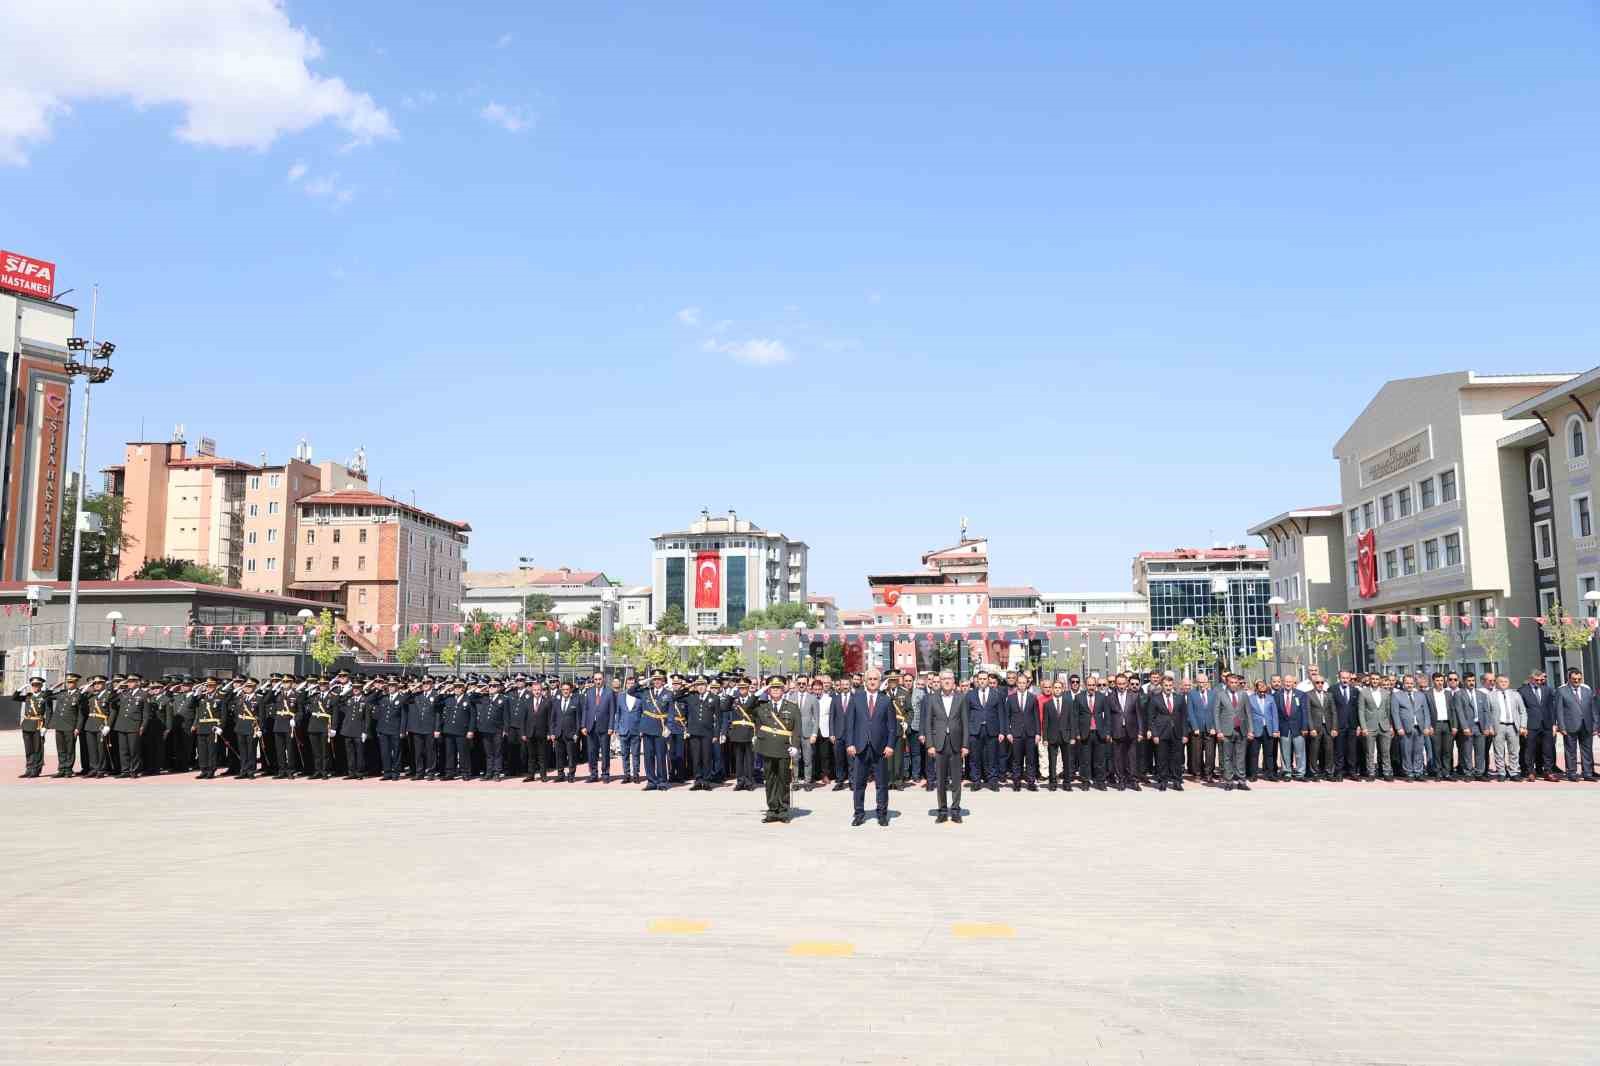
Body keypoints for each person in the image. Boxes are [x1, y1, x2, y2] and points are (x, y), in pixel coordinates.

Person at [844, 667, 896, 826]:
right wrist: (850, 743)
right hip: (860, 747)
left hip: (880, 749)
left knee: (881, 784)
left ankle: (882, 814)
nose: (872, 682)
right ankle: (859, 814)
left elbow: (892, 727)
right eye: (870, 679)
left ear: (879, 682)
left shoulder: (886, 700)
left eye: (875, 679)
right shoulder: (856, 698)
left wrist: (890, 745)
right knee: (859, 784)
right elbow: (850, 724)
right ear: (865, 681)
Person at [750, 677, 799, 823]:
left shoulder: (792, 707)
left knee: (784, 780)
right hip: (767, 748)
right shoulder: (762, 707)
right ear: (768, 691)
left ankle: (783, 811)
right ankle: (772, 810)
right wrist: (759, 692)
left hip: (784, 748)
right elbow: (747, 707)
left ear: (783, 690)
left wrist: (795, 746)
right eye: (772, 688)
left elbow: (797, 728)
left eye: (778, 688)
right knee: (770, 780)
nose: (775, 690)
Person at [924, 670, 968, 823]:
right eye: (944, 679)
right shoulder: (932, 699)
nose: (947, 681)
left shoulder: (961, 698)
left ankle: (955, 811)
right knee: (941, 780)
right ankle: (942, 811)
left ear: (953, 680)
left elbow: (965, 723)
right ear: (940, 681)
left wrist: (965, 744)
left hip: (956, 744)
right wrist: (930, 744)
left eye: (949, 678)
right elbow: (928, 723)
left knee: (956, 780)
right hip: (939, 744)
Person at [1555, 668, 1597, 782]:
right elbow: (1559, 710)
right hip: (1570, 726)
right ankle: (1571, 773)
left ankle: (1587, 773)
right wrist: (1561, 727)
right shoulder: (1561, 691)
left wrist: (1595, 725)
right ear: (1569, 679)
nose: (1577, 681)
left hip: (1587, 725)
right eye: (1574, 679)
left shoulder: (1587, 690)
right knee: (1570, 751)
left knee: (1587, 751)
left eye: (1579, 679)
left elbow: (1593, 709)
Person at [965, 670, 1004, 790]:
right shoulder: (970, 695)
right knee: (974, 757)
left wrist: (1002, 731)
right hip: (975, 730)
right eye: (980, 679)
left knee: (992, 757)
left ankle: (993, 781)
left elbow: (1001, 713)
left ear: (988, 680)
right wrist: (966, 732)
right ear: (977, 680)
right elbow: (966, 714)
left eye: (984, 679)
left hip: (992, 729)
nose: (982, 681)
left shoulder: (996, 694)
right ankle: (976, 781)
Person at [1213, 674, 1252, 791]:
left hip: (1241, 730)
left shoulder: (1243, 695)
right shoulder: (1220, 695)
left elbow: (1248, 713)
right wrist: (1218, 730)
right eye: (1231, 682)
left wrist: (1251, 730)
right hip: (1226, 731)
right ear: (1227, 683)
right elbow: (1216, 714)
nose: (1234, 685)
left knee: (1241, 757)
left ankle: (1241, 781)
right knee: (1227, 757)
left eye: (1236, 682)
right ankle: (1229, 781)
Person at [637, 671, 674, 791]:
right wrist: (645, 680)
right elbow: (630, 691)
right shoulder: (646, 692)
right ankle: (651, 781)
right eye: (655, 679)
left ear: (663, 681)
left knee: (660, 756)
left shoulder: (668, 694)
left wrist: (669, 727)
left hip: (660, 728)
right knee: (648, 757)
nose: (657, 681)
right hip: (647, 728)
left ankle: (662, 781)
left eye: (659, 679)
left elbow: (671, 712)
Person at [1145, 675, 1183, 791]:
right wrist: (1155, 734)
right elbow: (1150, 718)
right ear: (1162, 686)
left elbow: (1184, 716)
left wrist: (1185, 734)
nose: (1168, 687)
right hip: (1161, 733)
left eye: (1170, 685)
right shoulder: (1155, 698)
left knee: (1176, 758)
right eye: (1166, 685)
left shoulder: (1179, 698)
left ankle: (1177, 781)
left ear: (1173, 686)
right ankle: (1163, 781)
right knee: (1162, 758)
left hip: (1176, 732)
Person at [1486, 674, 1526, 782]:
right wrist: (1490, 727)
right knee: (1499, 751)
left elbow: (1522, 711)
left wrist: (1523, 726)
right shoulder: (1490, 696)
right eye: (1501, 681)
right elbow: (1488, 713)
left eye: (1505, 682)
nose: (1503, 683)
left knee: (1514, 751)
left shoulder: (1515, 694)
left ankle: (1514, 772)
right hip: (1498, 726)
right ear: (1496, 683)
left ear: (1509, 683)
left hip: (1513, 726)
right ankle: (1501, 772)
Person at [1518, 671, 1557, 781]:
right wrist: (1523, 725)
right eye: (1536, 680)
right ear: (1531, 679)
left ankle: (1548, 771)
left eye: (1541, 680)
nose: (1539, 682)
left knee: (1547, 749)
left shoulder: (1547, 690)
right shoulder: (1522, 691)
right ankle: (1530, 771)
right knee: (1529, 749)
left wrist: (1554, 724)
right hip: (1530, 724)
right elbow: (1521, 709)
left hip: (1546, 724)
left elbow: (1551, 708)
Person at [684, 677, 722, 791]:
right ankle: (697, 780)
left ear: (707, 686)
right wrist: (689, 686)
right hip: (694, 732)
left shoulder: (714, 698)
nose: (700, 687)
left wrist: (716, 734)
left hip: (707, 732)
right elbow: (676, 696)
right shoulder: (691, 697)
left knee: (706, 757)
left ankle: (706, 781)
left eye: (703, 685)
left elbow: (718, 718)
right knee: (696, 758)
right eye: (698, 685)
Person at [1004, 672, 1039, 791]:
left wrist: (1038, 733)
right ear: (1017, 684)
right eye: (1020, 683)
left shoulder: (1033, 698)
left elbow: (1036, 717)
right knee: (1016, 760)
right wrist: (1008, 732)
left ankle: (1031, 782)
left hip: (1030, 733)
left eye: (1024, 683)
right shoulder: (1011, 698)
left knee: (1030, 759)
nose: (1022, 685)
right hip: (1016, 734)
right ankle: (1016, 782)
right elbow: (1006, 717)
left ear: (1027, 684)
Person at [1107, 674, 1142, 791]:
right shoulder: (1110, 697)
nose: (1121, 686)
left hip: (1131, 730)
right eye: (1119, 684)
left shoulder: (1134, 696)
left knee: (1132, 757)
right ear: (1116, 684)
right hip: (1116, 731)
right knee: (1118, 757)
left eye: (1123, 683)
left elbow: (1139, 715)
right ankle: (1121, 780)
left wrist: (1141, 731)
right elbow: (1108, 716)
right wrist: (1108, 733)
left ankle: (1133, 780)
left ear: (1127, 683)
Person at [1451, 673, 1488, 782]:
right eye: (1469, 681)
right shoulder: (1459, 694)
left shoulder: (1481, 694)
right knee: (1467, 751)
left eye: (1473, 680)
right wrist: (1464, 727)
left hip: (1479, 726)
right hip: (1467, 727)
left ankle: (1479, 772)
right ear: (1464, 681)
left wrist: (1487, 726)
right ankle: (1468, 772)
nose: (1471, 683)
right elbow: (1459, 711)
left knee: (1480, 751)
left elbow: (1486, 712)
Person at [1356, 676, 1394, 782]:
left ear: (1380, 681)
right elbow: (1361, 711)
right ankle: (1371, 773)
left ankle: (1387, 772)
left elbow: (1388, 710)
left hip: (1384, 726)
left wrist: (1390, 726)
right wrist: (1363, 727)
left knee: (1386, 752)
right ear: (1370, 680)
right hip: (1369, 726)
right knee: (1370, 752)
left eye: (1377, 679)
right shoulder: (1364, 692)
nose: (1375, 681)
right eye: (1373, 679)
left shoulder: (1386, 693)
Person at [13, 676, 51, 778]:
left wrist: (46, 727)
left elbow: (49, 712)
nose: (35, 687)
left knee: (37, 749)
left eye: (37, 685)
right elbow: (14, 698)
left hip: (38, 725)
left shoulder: (45, 696)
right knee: (28, 749)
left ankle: (36, 770)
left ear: (41, 686)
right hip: (27, 725)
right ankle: (29, 769)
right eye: (33, 685)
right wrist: (20, 689)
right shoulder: (28, 696)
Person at [1391, 674, 1427, 781]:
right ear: (1403, 683)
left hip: (1419, 727)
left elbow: (1426, 712)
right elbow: (1395, 713)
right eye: (1407, 683)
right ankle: (1408, 772)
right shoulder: (1397, 695)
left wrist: (1427, 726)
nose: (1409, 685)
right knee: (1406, 751)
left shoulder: (1420, 695)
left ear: (1414, 684)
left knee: (1419, 751)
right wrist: (1398, 727)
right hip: (1405, 728)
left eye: (1411, 683)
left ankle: (1418, 771)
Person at [581, 671, 614, 783]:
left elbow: (612, 711)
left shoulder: (610, 692)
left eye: (600, 679)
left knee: (605, 752)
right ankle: (593, 774)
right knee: (591, 752)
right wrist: (583, 725)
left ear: (603, 679)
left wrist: (611, 726)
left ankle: (605, 774)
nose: (598, 681)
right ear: (593, 680)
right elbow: (585, 710)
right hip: (591, 727)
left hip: (604, 728)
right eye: (596, 679)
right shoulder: (589, 692)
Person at [1042, 676, 1074, 791]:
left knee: (1067, 761)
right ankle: (1053, 783)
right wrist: (1044, 738)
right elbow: (1045, 722)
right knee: (1052, 761)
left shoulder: (1069, 703)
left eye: (1059, 687)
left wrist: (1073, 736)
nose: (1057, 689)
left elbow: (1072, 720)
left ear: (1063, 689)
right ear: (1052, 689)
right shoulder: (1048, 704)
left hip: (1066, 736)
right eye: (1055, 687)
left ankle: (1067, 783)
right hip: (1052, 736)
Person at [438, 681, 474, 781]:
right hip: (449, 730)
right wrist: (443, 691)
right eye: (455, 687)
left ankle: (465, 772)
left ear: (463, 688)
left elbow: (472, 716)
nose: (457, 689)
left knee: (463, 753)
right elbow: (436, 703)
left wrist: (471, 730)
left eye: (459, 687)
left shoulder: (468, 699)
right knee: (450, 753)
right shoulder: (448, 699)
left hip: (462, 730)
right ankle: (450, 772)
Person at [305, 680, 340, 780]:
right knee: (316, 751)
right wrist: (309, 689)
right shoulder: (314, 696)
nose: (322, 686)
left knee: (325, 751)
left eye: (324, 684)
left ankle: (325, 771)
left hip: (325, 726)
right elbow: (303, 702)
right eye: (320, 684)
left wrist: (333, 728)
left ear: (328, 685)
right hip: (313, 726)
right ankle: (317, 770)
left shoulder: (333, 697)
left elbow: (335, 714)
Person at [1304, 677, 1336, 781]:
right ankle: (1314, 773)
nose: (1320, 684)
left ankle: (1329, 772)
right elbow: (1307, 713)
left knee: (1329, 750)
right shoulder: (1308, 695)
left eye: (1322, 682)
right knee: (1314, 751)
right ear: (1313, 683)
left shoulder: (1329, 695)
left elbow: (1334, 712)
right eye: (1317, 682)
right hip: (1315, 727)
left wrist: (1334, 728)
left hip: (1328, 727)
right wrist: (1311, 728)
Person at [1423, 673, 1454, 781]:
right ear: (1433, 681)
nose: (1440, 682)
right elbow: (1426, 711)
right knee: (1436, 750)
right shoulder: (1428, 694)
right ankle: (1438, 772)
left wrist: (1454, 725)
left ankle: (1447, 772)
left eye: (1441, 680)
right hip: (1435, 724)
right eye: (1437, 680)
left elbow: (1453, 710)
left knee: (1447, 750)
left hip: (1447, 724)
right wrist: (1428, 725)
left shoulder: (1448, 693)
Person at [550, 680, 581, 782]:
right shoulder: (556, 701)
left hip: (571, 734)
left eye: (567, 689)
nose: (565, 691)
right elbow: (552, 719)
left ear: (570, 690)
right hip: (558, 733)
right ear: (561, 690)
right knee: (559, 756)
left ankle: (571, 775)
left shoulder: (576, 701)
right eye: (563, 689)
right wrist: (552, 732)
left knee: (571, 756)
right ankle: (560, 774)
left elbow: (578, 719)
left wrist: (577, 733)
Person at [613, 675, 642, 783]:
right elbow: (618, 713)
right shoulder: (621, 696)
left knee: (635, 754)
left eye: (632, 683)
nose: (630, 685)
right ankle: (626, 775)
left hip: (636, 729)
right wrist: (616, 728)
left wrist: (642, 729)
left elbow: (643, 713)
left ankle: (636, 775)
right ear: (626, 685)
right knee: (624, 754)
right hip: (623, 729)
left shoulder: (640, 696)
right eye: (628, 683)